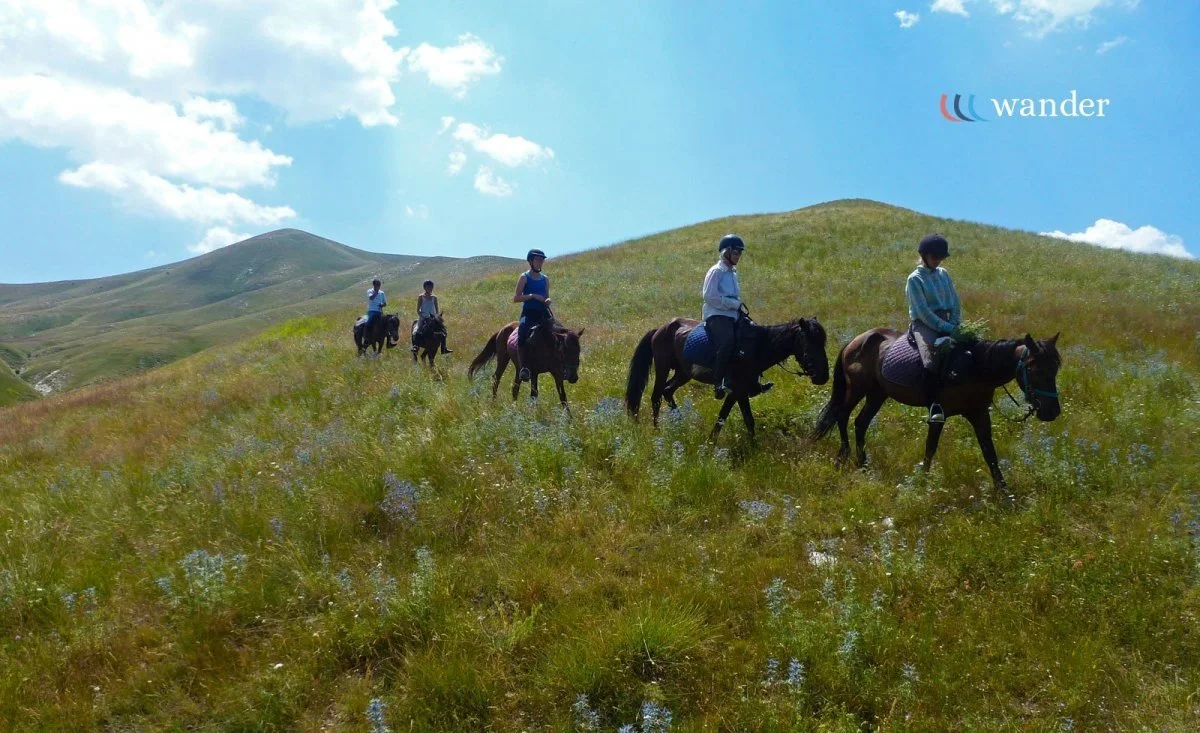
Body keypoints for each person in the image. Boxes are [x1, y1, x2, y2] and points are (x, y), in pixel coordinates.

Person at [702, 234, 772, 399]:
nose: (738, 256)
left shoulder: (732, 273)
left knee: (754, 336)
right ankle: (719, 383)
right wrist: (734, 304)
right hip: (716, 315)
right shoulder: (716, 271)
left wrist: (736, 307)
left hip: (732, 315)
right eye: (735, 253)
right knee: (728, 341)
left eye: (740, 253)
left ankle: (752, 383)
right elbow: (709, 296)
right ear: (726, 252)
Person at [906, 233, 962, 424]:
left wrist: (954, 323)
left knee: (971, 347)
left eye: (940, 257)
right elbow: (922, 312)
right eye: (934, 257)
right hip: (925, 324)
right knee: (930, 359)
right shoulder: (914, 279)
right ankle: (933, 406)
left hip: (949, 320)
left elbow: (955, 300)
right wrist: (945, 327)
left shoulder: (944, 274)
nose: (937, 261)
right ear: (924, 255)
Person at [513, 248, 551, 382]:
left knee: (559, 332)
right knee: (522, 331)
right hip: (529, 313)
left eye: (542, 260)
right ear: (530, 261)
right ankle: (524, 367)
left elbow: (546, 296)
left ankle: (561, 363)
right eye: (537, 260)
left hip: (543, 313)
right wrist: (532, 296)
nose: (540, 263)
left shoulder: (545, 279)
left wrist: (547, 301)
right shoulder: (524, 277)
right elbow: (516, 298)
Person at [412, 279, 451, 354]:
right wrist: (422, 316)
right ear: (425, 287)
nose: (430, 288)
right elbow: (418, 309)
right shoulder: (421, 297)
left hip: (433, 319)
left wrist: (436, 318)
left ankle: (444, 348)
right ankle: (416, 346)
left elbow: (436, 310)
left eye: (431, 287)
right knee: (416, 331)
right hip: (423, 318)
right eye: (428, 287)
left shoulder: (434, 297)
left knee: (443, 331)